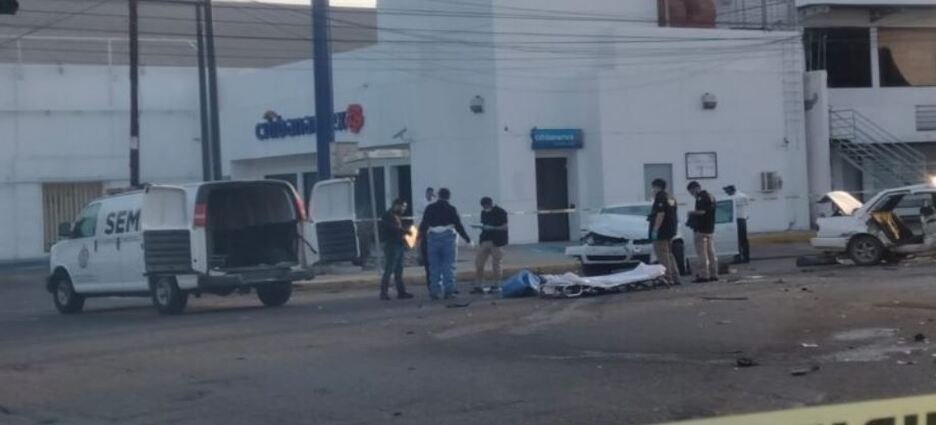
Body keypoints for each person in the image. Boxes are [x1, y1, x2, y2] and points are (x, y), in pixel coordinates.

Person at [418, 188, 471, 300]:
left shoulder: (430, 208)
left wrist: (419, 238)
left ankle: (434, 291)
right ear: (449, 197)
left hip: (432, 238)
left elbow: (423, 225)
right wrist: (467, 239)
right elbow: (458, 225)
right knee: (449, 265)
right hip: (448, 238)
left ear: (438, 195)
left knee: (434, 266)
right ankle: (449, 291)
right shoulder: (451, 209)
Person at [379, 199, 414, 301]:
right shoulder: (388, 216)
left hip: (399, 244)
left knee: (399, 270)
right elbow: (392, 228)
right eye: (403, 206)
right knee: (389, 269)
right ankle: (384, 293)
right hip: (392, 245)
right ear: (397, 205)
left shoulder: (396, 216)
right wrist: (405, 231)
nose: (404, 209)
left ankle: (401, 292)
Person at [648, 178, 680, 286]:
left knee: (663, 255)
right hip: (670, 229)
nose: (652, 190)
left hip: (662, 231)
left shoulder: (660, 197)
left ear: (657, 187)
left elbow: (660, 214)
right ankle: (675, 276)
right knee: (669, 254)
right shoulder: (670, 197)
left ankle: (668, 277)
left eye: (653, 188)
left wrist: (655, 229)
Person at [687, 181, 718, 283]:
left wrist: (691, 212)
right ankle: (714, 274)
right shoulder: (711, 196)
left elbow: (702, 212)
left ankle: (704, 275)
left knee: (702, 254)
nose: (692, 194)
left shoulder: (700, 197)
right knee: (711, 253)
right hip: (710, 229)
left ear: (695, 188)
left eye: (691, 192)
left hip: (701, 229)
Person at [475, 197, 509, 287]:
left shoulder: (501, 212)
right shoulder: (483, 212)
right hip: (485, 240)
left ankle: (497, 284)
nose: (485, 209)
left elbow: (505, 227)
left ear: (490, 204)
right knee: (479, 263)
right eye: (483, 207)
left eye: (485, 207)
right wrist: (481, 227)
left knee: (496, 264)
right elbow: (483, 223)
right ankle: (479, 284)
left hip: (497, 241)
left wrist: (493, 228)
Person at [724, 185, 751, 263]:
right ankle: (741, 257)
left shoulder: (739, 196)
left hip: (740, 219)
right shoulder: (739, 196)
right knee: (737, 240)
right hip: (738, 219)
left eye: (727, 191)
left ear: (731, 190)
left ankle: (742, 257)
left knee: (742, 239)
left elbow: (745, 202)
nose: (726, 193)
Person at [418, 187, 436, 290]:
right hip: (427, 243)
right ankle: (431, 285)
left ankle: (434, 285)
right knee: (428, 266)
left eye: (432, 193)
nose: (431, 195)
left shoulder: (434, 202)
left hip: (433, 244)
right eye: (429, 193)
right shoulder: (422, 202)